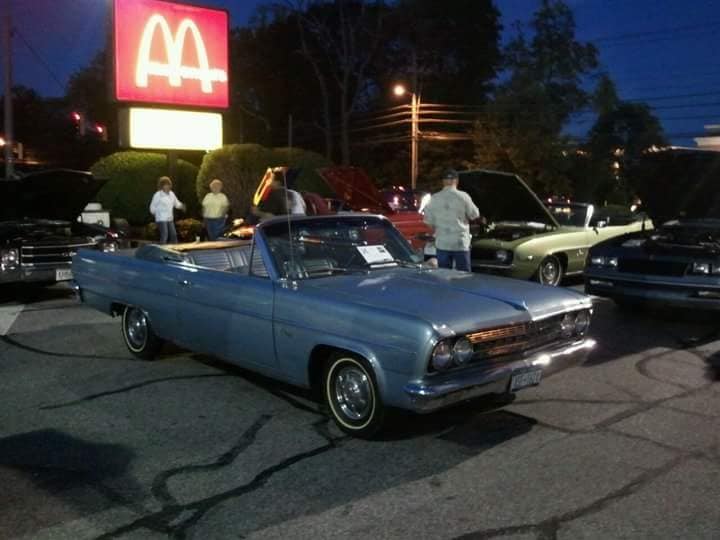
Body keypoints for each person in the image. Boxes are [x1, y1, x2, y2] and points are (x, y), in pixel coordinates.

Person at [422, 169, 480, 272]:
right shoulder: (463, 196)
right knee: (464, 275)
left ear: (443, 181)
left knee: (444, 275)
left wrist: (439, 229)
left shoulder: (434, 198)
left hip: (442, 243)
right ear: (456, 181)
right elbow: (474, 215)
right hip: (460, 243)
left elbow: (428, 222)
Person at [149, 176, 185, 244]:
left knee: (173, 235)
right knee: (165, 235)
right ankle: (161, 251)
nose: (167, 186)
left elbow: (176, 203)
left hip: (169, 218)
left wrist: (181, 206)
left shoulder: (171, 194)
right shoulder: (158, 195)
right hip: (161, 219)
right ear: (162, 186)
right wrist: (154, 213)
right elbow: (152, 206)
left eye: (168, 184)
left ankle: (175, 250)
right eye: (165, 185)